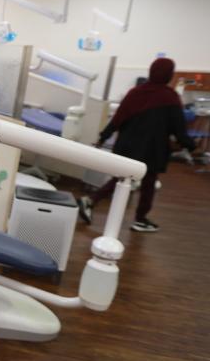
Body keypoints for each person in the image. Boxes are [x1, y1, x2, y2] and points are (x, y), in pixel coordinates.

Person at [77, 57, 194, 232]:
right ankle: (140, 219)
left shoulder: (135, 92)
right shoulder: (170, 98)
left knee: (122, 177)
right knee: (148, 184)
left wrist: (103, 138)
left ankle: (92, 200)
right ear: (170, 75)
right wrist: (191, 146)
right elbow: (179, 129)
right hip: (152, 149)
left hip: (126, 145)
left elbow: (118, 119)